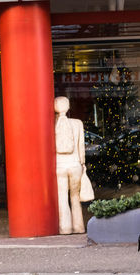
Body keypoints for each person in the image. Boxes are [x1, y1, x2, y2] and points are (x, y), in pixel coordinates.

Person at [54, 96, 86, 234]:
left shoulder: (52, 124)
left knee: (62, 197)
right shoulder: (77, 123)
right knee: (75, 197)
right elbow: (81, 147)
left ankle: (65, 228)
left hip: (59, 165)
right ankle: (79, 227)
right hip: (75, 165)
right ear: (68, 107)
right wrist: (82, 163)